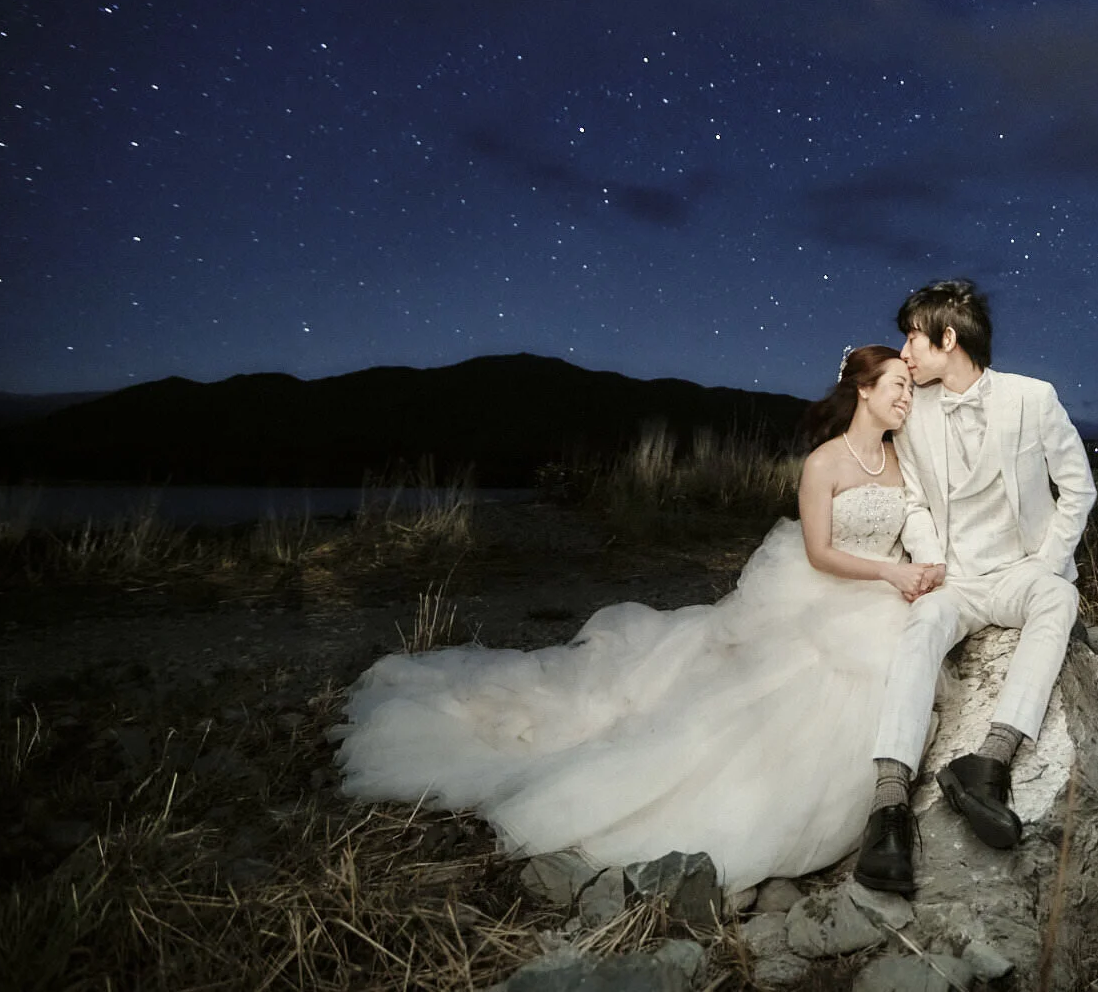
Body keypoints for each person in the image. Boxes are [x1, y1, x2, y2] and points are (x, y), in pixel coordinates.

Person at [333, 346, 943, 891]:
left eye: (911, 390)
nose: (905, 399)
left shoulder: (900, 462)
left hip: (882, 594)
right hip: (827, 589)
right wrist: (890, 574)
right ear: (864, 388)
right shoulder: (824, 464)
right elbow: (819, 552)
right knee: (788, 687)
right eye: (897, 386)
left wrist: (917, 570)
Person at [855, 280, 1097, 896]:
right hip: (956, 576)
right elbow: (911, 499)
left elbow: (1079, 488)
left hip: (1020, 569)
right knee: (922, 629)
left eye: (913, 335)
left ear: (948, 338)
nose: (904, 350)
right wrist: (932, 564)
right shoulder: (914, 413)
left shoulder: (1033, 398)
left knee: (1060, 600)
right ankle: (888, 806)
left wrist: (1046, 564)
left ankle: (989, 761)